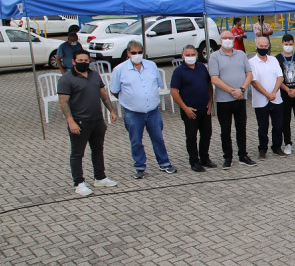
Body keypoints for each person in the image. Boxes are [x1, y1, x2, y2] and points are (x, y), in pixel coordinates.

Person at [110, 41, 178, 178]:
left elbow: (157, 84)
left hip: (153, 111)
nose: (137, 55)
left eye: (139, 52)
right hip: (133, 112)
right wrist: (130, 100)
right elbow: (115, 91)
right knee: (136, 140)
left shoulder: (151, 66)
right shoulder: (119, 70)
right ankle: (139, 167)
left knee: (158, 138)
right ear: (128, 53)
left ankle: (164, 163)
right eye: (133, 53)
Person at [57, 49, 118, 195]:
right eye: (80, 61)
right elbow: (63, 102)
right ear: (73, 62)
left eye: (86, 61)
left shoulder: (94, 75)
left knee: (98, 150)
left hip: (97, 120)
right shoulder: (66, 79)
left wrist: (111, 110)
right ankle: (79, 182)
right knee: (77, 153)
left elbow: (103, 94)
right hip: (79, 122)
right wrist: (71, 122)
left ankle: (100, 177)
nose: (84, 63)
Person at [209, 30, 257, 168]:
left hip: (240, 98)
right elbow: (214, 78)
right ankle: (227, 157)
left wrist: (241, 90)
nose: (228, 40)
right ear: (220, 40)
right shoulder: (215, 56)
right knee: (225, 130)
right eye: (225, 38)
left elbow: (249, 74)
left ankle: (243, 155)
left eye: (230, 37)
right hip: (224, 100)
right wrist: (232, 91)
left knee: (241, 128)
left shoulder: (241, 54)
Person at [170, 45, 215, 172]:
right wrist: (185, 108)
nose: (190, 57)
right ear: (182, 56)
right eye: (187, 55)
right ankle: (194, 161)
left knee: (207, 134)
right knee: (191, 136)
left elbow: (208, 83)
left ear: (197, 55)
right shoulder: (179, 71)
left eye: (192, 55)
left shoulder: (201, 67)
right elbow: (174, 91)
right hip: (190, 110)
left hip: (204, 108)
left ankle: (205, 158)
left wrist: (211, 100)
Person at [249, 36, 285, 160]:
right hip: (261, 100)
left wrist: (274, 92)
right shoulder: (251, 62)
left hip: (276, 98)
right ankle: (262, 149)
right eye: (261, 46)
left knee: (278, 125)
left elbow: (280, 77)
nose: (264, 48)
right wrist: (267, 94)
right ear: (256, 46)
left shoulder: (273, 60)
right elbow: (254, 82)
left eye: (266, 46)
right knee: (263, 127)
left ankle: (277, 147)